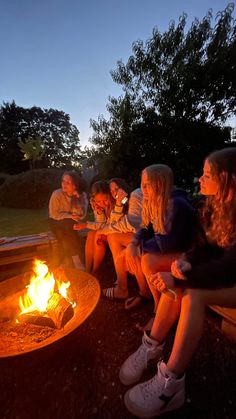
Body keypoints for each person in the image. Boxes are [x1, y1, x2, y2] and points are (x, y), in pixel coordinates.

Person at [119, 148, 236, 418]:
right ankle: (151, 345)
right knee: (181, 281)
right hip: (221, 273)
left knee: (192, 294)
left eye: (208, 175)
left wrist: (187, 272)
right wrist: (186, 261)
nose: (200, 179)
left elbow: (230, 265)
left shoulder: (180, 206)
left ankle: (171, 383)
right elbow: (204, 248)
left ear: (228, 180)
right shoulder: (213, 207)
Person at [121, 164, 195, 311]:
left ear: (160, 184)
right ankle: (147, 296)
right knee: (134, 254)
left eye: (147, 185)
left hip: (187, 255)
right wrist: (133, 244)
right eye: (142, 185)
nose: (143, 189)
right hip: (174, 248)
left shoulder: (175, 204)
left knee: (148, 261)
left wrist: (139, 248)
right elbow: (146, 227)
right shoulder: (156, 200)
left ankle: (158, 307)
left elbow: (165, 244)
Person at [101, 178, 144, 301]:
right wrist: (119, 204)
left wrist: (102, 231)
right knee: (111, 236)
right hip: (135, 235)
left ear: (123, 187)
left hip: (143, 235)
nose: (114, 192)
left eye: (116, 188)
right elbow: (113, 224)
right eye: (111, 191)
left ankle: (122, 287)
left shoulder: (133, 199)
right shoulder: (120, 204)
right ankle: (121, 285)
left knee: (111, 236)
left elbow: (130, 224)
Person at [48, 171, 88, 270]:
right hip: (55, 221)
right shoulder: (56, 194)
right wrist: (69, 216)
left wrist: (77, 198)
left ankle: (65, 261)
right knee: (67, 226)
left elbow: (81, 215)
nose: (64, 184)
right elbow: (53, 214)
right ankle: (77, 261)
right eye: (63, 181)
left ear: (75, 185)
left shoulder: (82, 195)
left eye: (68, 182)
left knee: (63, 232)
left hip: (69, 224)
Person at [74, 180, 114, 274]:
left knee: (97, 235)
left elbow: (107, 226)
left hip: (116, 231)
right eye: (98, 201)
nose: (102, 203)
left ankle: (95, 271)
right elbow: (100, 224)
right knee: (91, 233)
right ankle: (88, 270)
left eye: (105, 200)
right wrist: (99, 213)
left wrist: (86, 225)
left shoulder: (114, 205)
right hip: (107, 229)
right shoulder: (97, 205)